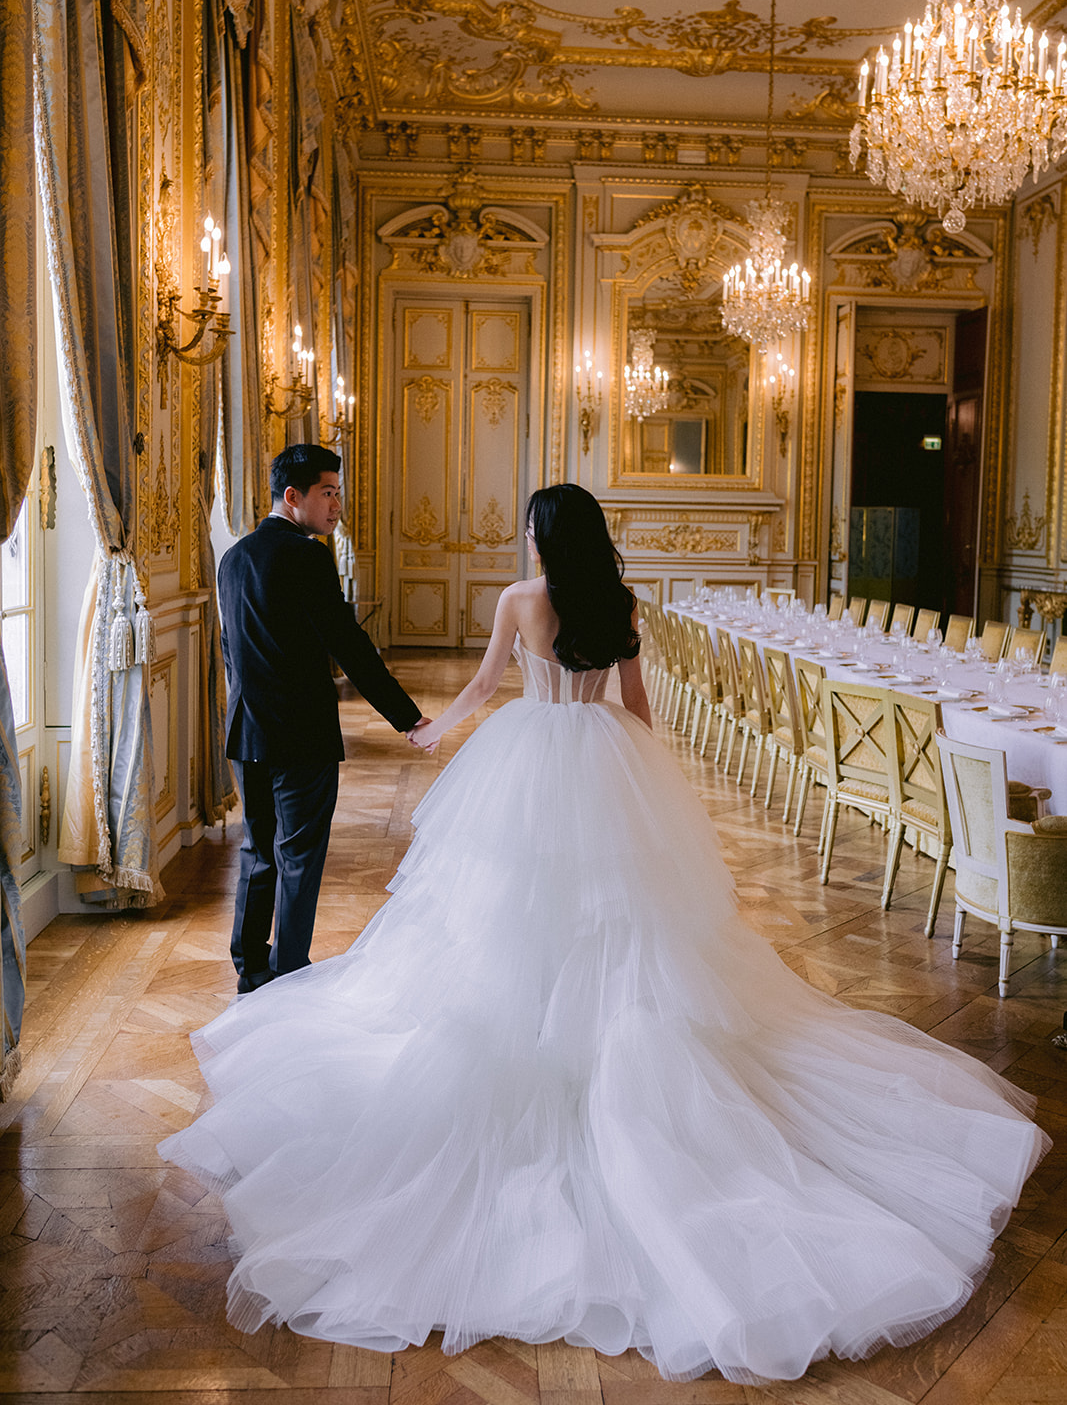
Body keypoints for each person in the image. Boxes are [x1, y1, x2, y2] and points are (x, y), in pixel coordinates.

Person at [162, 483, 1048, 1384]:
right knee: (619, 918)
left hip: (530, 755)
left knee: (503, 911)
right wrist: (643, 784)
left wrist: (439, 732)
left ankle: (536, 1031)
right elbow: (637, 711)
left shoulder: (517, 600)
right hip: (606, 762)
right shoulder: (620, 604)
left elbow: (482, 683)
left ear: (542, 538)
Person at [217, 443, 424, 993]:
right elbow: (350, 646)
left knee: (257, 851)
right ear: (293, 497)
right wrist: (407, 717)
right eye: (328, 493)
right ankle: (288, 973)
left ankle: (248, 967)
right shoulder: (308, 557)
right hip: (301, 737)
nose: (338, 506)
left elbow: (230, 651)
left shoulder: (232, 558)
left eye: (338, 492)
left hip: (246, 732)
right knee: (299, 858)